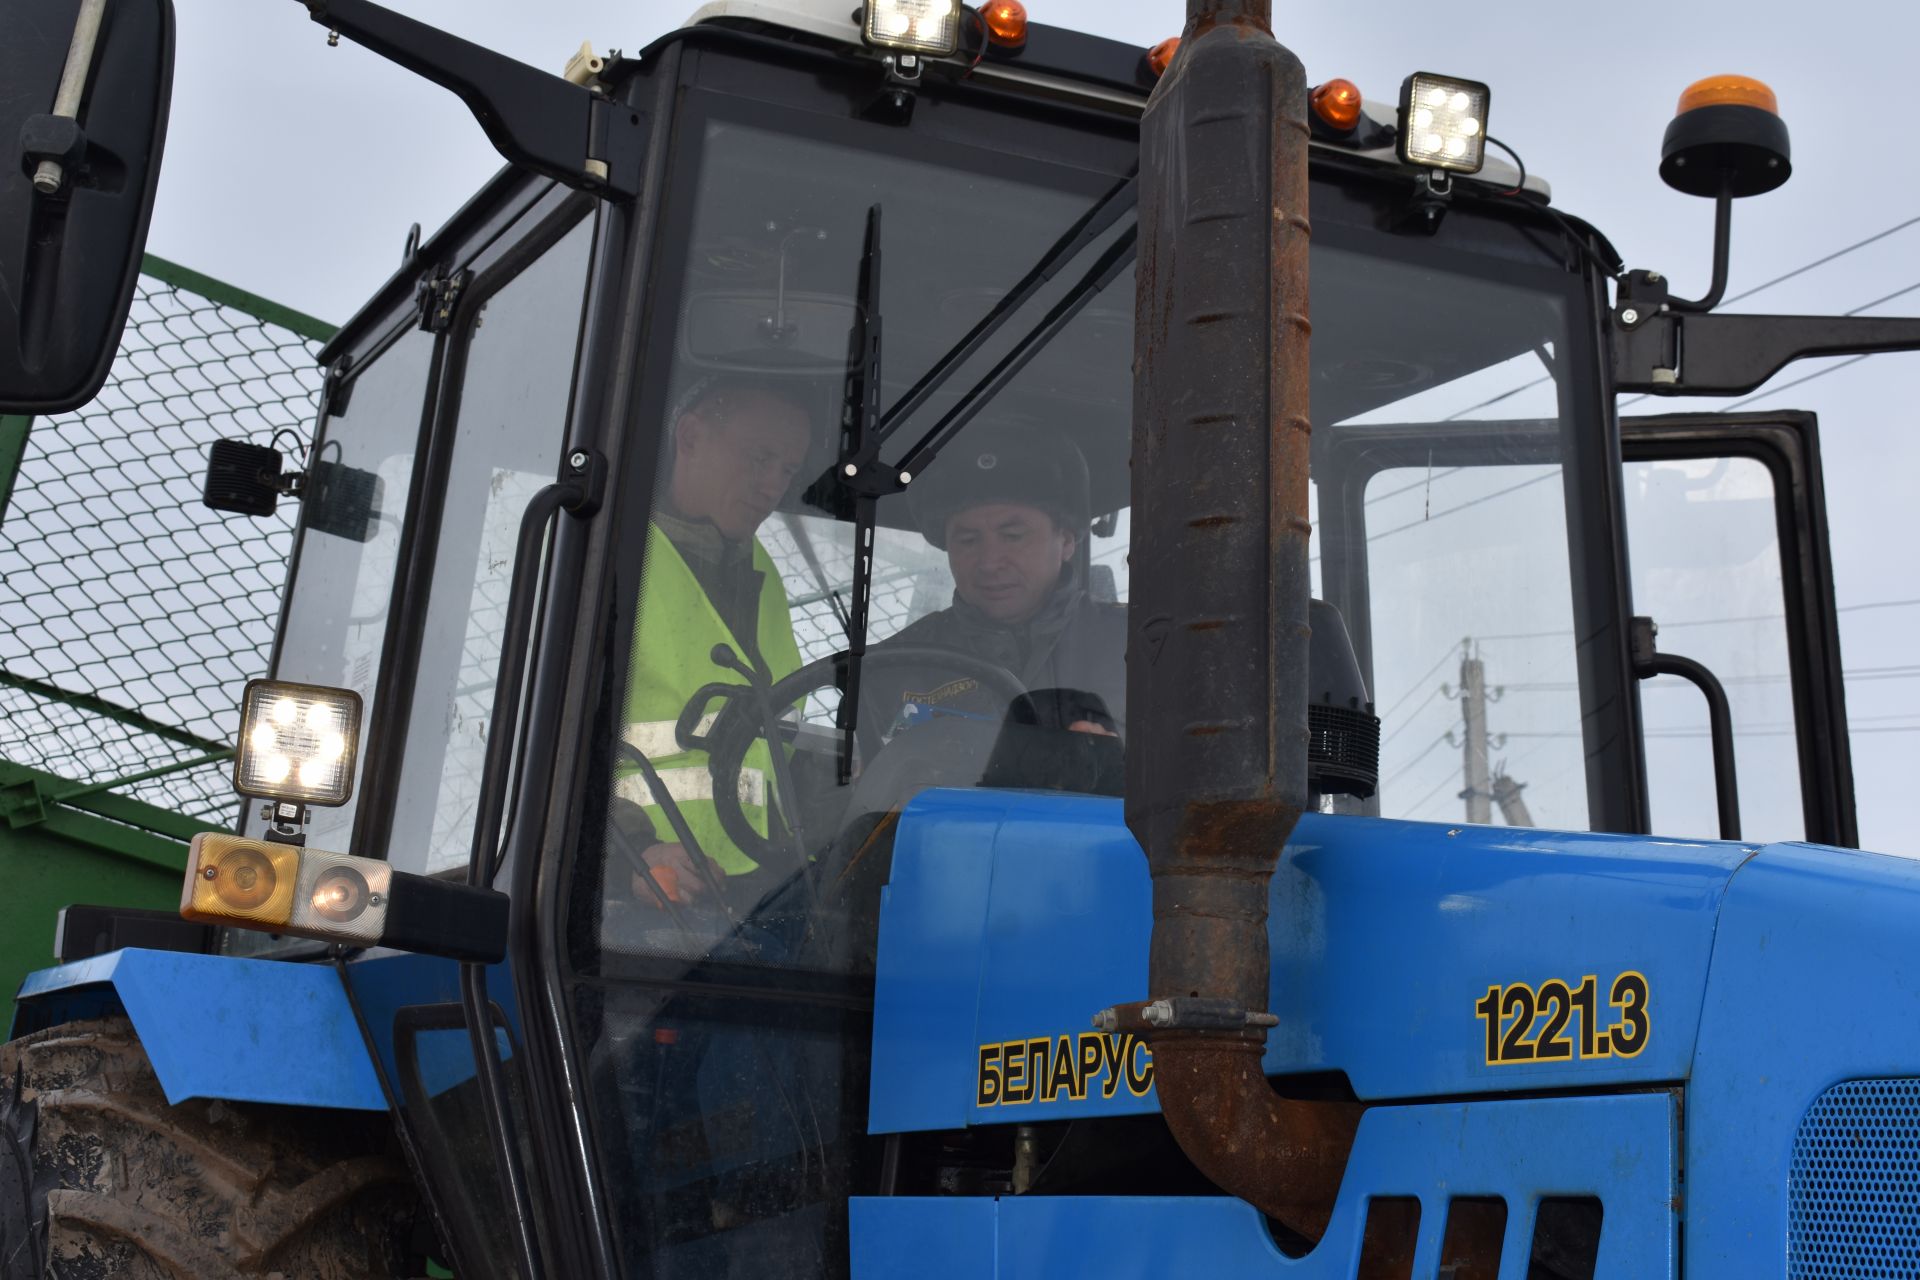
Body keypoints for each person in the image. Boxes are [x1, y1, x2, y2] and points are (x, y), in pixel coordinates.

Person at [615, 373, 813, 904]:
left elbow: (774, 745)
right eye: (758, 458)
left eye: (786, 469)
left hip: (745, 890)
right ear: (691, 437)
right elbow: (553, 751)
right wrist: (636, 851)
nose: (772, 485)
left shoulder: (762, 572)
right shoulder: (610, 559)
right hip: (621, 897)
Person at [870, 426, 1127, 737]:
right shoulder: (891, 668)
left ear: (1067, 540)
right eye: (967, 540)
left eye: (1012, 536)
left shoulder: (1141, 650)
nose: (990, 562)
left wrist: (1121, 769)